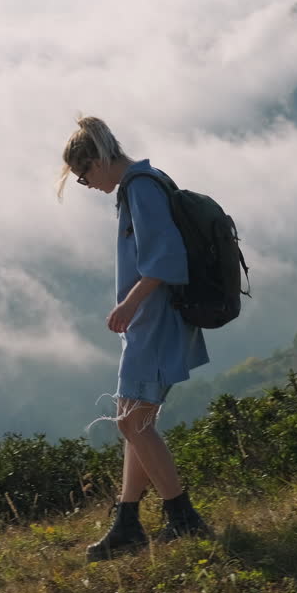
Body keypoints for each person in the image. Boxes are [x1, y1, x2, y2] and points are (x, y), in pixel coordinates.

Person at [56, 116, 212, 561]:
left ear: (96, 161)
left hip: (155, 322)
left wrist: (128, 304)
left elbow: (166, 259)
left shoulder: (141, 187)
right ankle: (127, 522)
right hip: (149, 324)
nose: (86, 184)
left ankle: (183, 517)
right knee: (132, 420)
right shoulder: (142, 183)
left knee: (132, 424)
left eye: (82, 174)